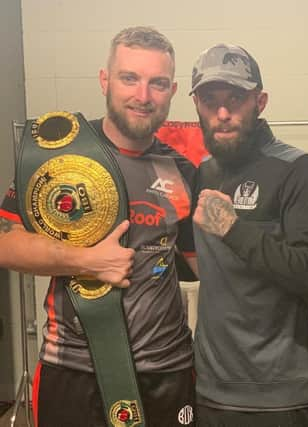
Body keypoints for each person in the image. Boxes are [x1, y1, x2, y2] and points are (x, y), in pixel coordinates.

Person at [0, 26, 197, 426]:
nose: (143, 96)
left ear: (172, 91)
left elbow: (204, 263)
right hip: (73, 369)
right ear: (105, 80)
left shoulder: (182, 170)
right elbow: (6, 244)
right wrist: (86, 260)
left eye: (157, 83)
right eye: (130, 78)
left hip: (167, 369)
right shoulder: (59, 156)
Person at [189, 43, 308, 427]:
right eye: (210, 100)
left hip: (281, 396)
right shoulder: (202, 172)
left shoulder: (297, 169)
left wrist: (234, 230)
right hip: (211, 389)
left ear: (261, 101)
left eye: (235, 98)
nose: (222, 113)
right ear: (197, 106)